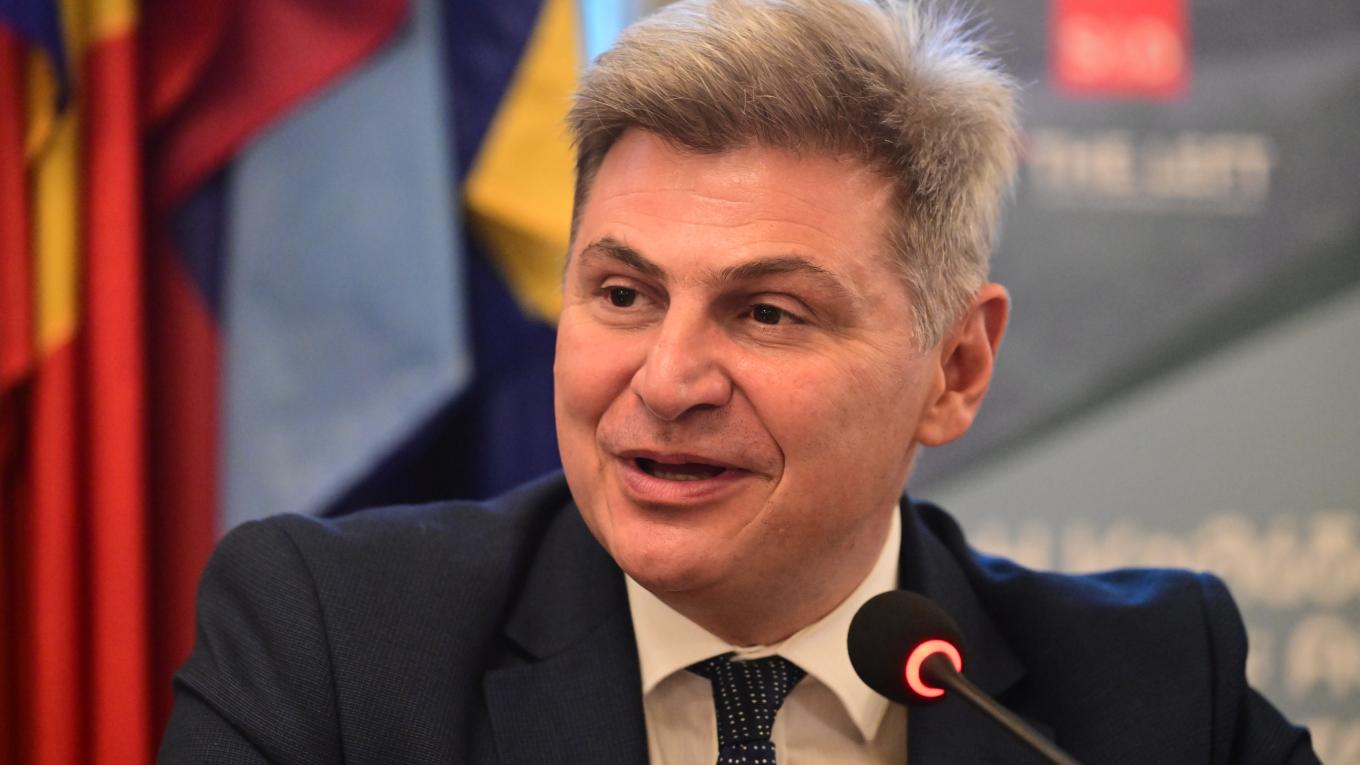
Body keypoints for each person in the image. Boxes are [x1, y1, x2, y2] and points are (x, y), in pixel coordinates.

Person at [159, 0, 1319, 762]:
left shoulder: (1155, 691)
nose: (667, 381)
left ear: (955, 369)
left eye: (767, 313)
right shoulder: (333, 647)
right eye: (624, 294)